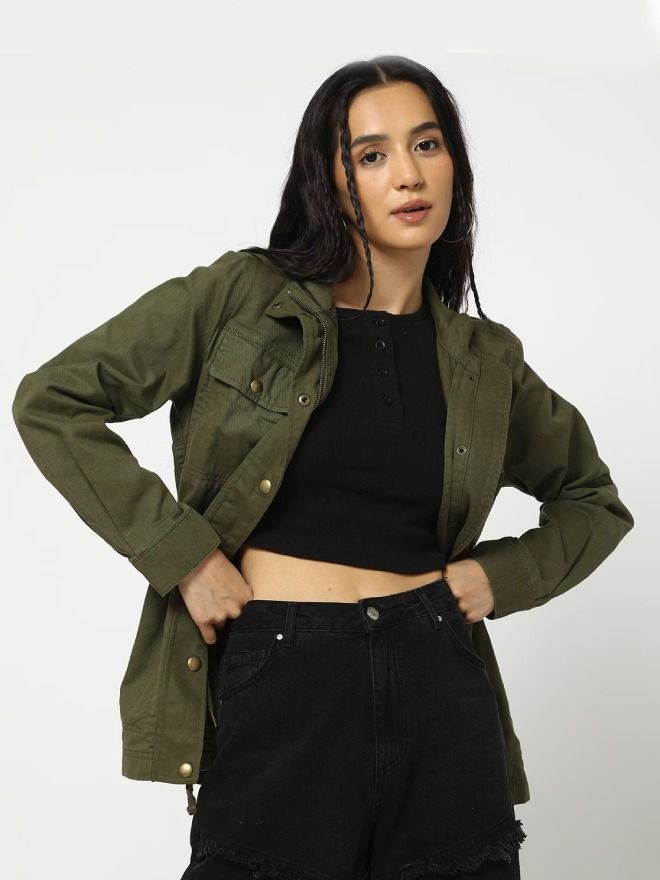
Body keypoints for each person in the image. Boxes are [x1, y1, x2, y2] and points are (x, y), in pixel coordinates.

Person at [11, 56, 634, 880]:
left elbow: (593, 499)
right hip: (284, 671)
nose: (407, 174)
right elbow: (53, 400)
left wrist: (499, 577)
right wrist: (185, 556)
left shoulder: (484, 360)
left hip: (440, 684)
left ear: (455, 166)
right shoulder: (242, 297)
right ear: (331, 183)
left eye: (427, 144)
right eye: (372, 155)